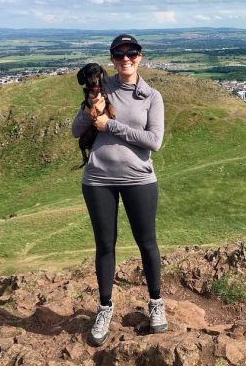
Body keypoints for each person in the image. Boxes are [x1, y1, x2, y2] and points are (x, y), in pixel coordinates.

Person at [71, 33, 167, 346]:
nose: (126, 59)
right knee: (105, 245)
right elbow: (75, 131)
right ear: (112, 59)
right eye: (119, 54)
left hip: (139, 178)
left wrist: (109, 125)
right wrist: (89, 112)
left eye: (132, 53)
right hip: (98, 179)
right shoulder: (100, 86)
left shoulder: (151, 96)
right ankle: (104, 309)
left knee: (147, 243)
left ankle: (156, 305)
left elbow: (154, 141)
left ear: (140, 56)